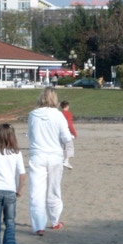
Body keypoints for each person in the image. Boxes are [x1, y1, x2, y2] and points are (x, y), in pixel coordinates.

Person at [28, 87, 73, 235]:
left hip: (37, 155)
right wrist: (68, 155)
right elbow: (67, 138)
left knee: (36, 191)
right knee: (54, 189)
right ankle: (54, 221)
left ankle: (38, 226)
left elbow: (30, 136)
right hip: (55, 156)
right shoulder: (58, 115)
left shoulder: (33, 115)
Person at [60, 100, 77, 169]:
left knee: (61, 148)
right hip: (66, 133)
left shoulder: (59, 113)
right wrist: (74, 133)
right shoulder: (68, 114)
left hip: (59, 133)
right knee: (69, 148)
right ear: (67, 106)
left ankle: (60, 162)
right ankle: (66, 161)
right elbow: (70, 124)